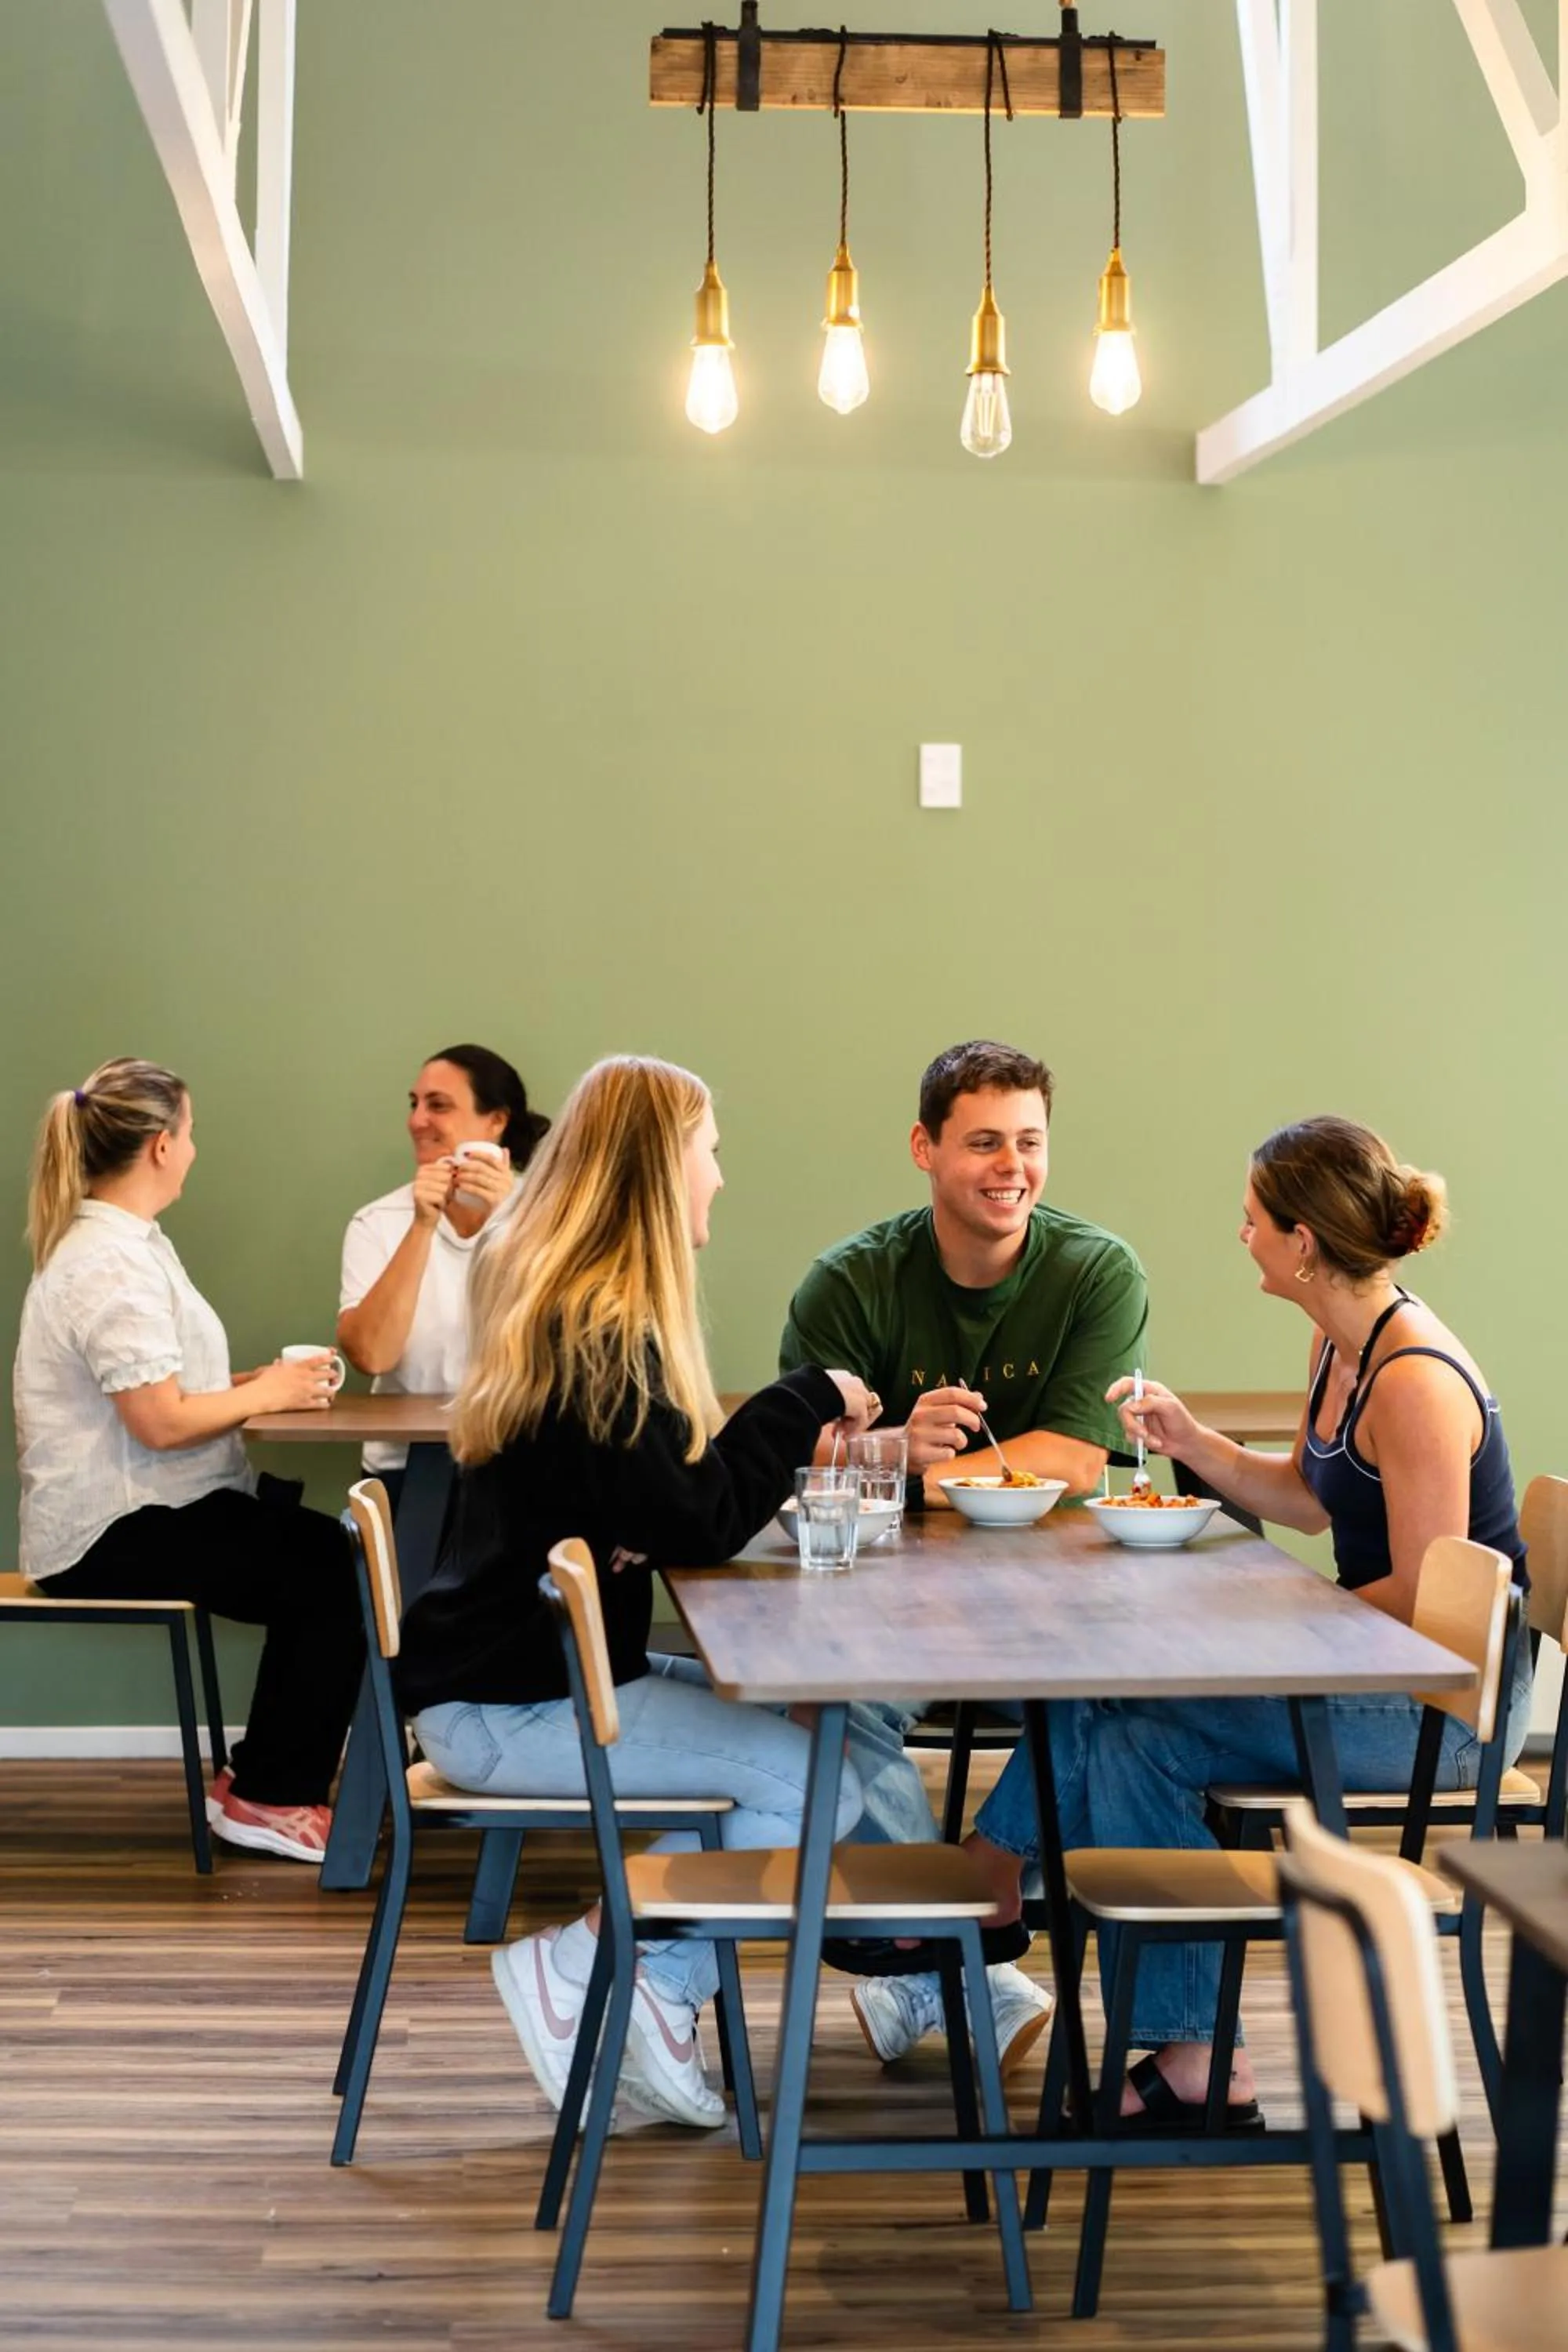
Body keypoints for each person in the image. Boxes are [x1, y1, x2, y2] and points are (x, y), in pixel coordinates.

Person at [955, 1114, 1535, 2125]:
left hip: (1440, 1703)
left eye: (1251, 1218)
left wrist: (1271, 1622)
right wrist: (1191, 1438)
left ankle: (1009, 1890)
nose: (1241, 1235)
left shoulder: (1413, 1382)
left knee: (1135, 1720)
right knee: (1125, 1713)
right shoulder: (1337, 1341)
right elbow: (1311, 1498)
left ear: (1301, 1242)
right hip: (1374, 1663)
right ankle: (1188, 2049)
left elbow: (1429, 1587)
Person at [396, 1054, 876, 2129]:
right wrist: (803, 1396)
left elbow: (653, 1502)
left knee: (812, 1745)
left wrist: (634, 1526)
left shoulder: (574, 1311)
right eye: (710, 1154)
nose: (719, 1177)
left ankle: (640, 1981)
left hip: (514, 1678)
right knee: (818, 1784)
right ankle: (611, 1967)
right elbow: (699, 1516)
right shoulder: (602, 1331)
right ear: (660, 1173)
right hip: (514, 1705)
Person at [779, 1038, 1149, 2073]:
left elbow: (1077, 1457)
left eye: (1029, 1143)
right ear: (924, 1149)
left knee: (1121, 1697)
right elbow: (791, 1447)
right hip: (887, 1589)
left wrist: (909, 1475)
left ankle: (948, 1942)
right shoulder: (851, 1282)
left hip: (1057, 1588)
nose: (1011, 1168)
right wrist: (890, 1448)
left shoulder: (1095, 1269)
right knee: (831, 1707)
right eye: (984, 1142)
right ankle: (956, 1973)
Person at [14, 1058, 365, 1864]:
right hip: (110, 1535)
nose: (196, 1149)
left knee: (326, 1557)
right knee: (333, 1571)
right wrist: (263, 1392)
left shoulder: (130, 1244)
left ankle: (262, 1779)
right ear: (163, 1146)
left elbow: (157, 1392)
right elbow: (162, 1423)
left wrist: (250, 1387)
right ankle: (271, 1797)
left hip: (144, 1511)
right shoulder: (111, 1262)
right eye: (193, 1133)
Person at [338, 1045, 549, 1503]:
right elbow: (372, 1356)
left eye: (439, 1105)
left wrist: (509, 1222)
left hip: (525, 1461)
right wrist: (422, 1226)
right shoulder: (377, 1222)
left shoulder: (551, 1214)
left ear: (496, 1122)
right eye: (415, 1104)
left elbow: (570, 1341)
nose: (417, 1121)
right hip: (406, 1467)